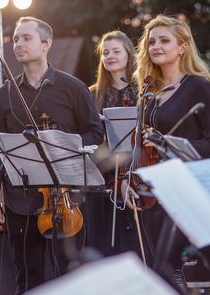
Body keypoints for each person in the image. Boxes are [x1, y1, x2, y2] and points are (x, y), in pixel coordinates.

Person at [0, 16, 103, 294]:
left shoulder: (73, 87)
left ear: (46, 44)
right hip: (20, 200)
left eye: (26, 38)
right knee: (27, 278)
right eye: (15, 39)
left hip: (65, 197)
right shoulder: (6, 94)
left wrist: (63, 144)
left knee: (71, 277)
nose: (18, 44)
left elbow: (95, 133)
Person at [121, 14, 210, 294]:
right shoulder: (149, 93)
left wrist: (169, 143)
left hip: (188, 187)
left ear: (182, 47)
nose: (156, 46)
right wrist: (127, 180)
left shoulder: (199, 87)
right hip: (155, 189)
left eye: (164, 40)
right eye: (152, 41)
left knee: (167, 268)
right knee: (155, 268)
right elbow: (139, 146)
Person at [86, 30, 139, 258]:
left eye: (116, 51)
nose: (110, 56)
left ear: (129, 54)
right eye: (105, 53)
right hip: (103, 175)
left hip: (136, 170)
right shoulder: (92, 94)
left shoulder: (143, 91)